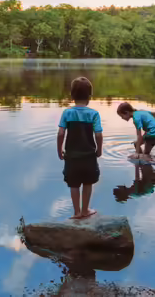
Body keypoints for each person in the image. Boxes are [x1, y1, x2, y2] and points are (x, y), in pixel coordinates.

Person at [57, 77, 103, 219]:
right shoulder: (94, 114)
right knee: (88, 182)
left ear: (72, 96)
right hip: (89, 155)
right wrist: (99, 150)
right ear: (90, 96)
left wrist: (59, 150)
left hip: (71, 156)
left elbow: (60, 133)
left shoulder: (67, 113)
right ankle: (85, 211)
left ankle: (76, 212)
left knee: (74, 183)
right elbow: (99, 135)